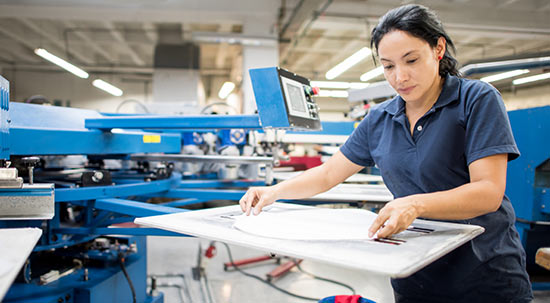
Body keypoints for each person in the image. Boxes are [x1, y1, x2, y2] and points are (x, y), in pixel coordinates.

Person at [240, 4, 533, 303]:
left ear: (438, 49)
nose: (400, 77)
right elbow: (329, 174)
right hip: (414, 273)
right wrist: (272, 192)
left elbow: (487, 192)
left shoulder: (476, 100)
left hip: (484, 276)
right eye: (389, 66)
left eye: (411, 60)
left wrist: (415, 205)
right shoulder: (380, 118)